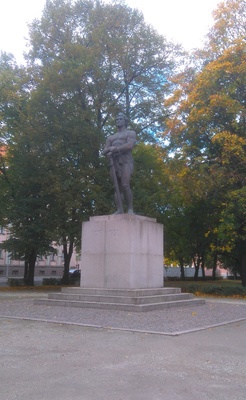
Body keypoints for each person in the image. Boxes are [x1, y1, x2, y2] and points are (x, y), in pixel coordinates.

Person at [103, 113, 137, 214]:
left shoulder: (130, 133)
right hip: (114, 162)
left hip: (126, 160)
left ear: (125, 121)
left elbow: (130, 145)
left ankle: (130, 209)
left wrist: (116, 149)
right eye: (117, 119)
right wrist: (110, 148)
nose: (118, 120)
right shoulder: (111, 137)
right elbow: (104, 151)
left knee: (125, 184)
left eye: (120, 119)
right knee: (117, 187)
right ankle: (119, 209)